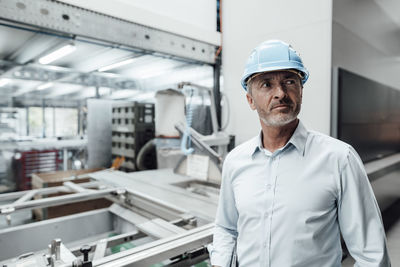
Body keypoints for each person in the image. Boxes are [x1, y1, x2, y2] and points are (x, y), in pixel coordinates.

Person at [209, 40, 390, 267]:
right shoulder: (235, 162)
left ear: (301, 91)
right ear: (250, 100)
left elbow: (372, 255)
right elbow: (227, 227)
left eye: (289, 82)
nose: (280, 93)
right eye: (266, 84)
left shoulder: (339, 159)